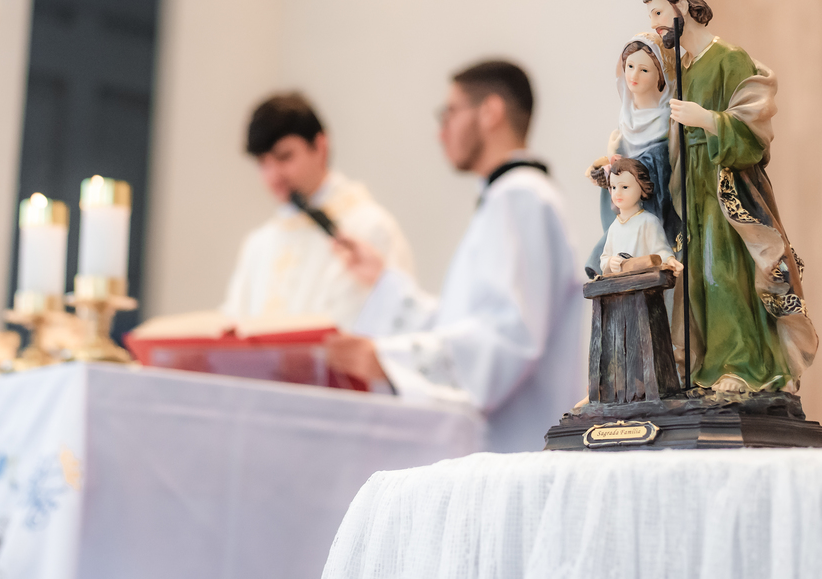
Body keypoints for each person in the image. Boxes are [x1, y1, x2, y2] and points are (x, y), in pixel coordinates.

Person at [325, 60, 584, 452]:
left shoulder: (521, 197)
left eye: (449, 113)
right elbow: (465, 323)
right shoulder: (507, 198)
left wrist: (390, 360)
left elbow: (508, 338)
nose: (440, 131)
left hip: (516, 451)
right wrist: (383, 284)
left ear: (490, 112)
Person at [645, 0, 817, 393]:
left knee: (724, 272)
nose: (654, 24)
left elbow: (754, 134)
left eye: (658, 13)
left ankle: (742, 364)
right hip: (692, 184)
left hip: (724, 185)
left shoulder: (729, 58)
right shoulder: (684, 67)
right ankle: (706, 364)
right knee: (697, 279)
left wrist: (707, 120)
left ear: (682, 6)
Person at [220, 92, 413, 329]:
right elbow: (233, 324)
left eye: (285, 157)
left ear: (320, 147)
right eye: (263, 163)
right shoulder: (259, 243)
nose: (273, 176)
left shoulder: (370, 228)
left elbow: (398, 325)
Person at [585, 33, 680, 275]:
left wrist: (627, 169)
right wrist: (606, 169)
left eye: (644, 70)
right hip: (628, 203)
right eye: (629, 66)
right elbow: (619, 161)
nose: (633, 76)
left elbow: (664, 166)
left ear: (660, 75)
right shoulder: (626, 118)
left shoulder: (668, 119)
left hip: (656, 203)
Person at [599, 157, 682, 277]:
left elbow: (660, 251)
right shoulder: (614, 227)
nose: (617, 193)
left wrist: (670, 261)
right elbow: (604, 259)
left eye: (625, 187)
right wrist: (610, 262)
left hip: (644, 282)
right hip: (620, 284)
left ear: (642, 188)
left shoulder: (649, 222)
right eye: (613, 187)